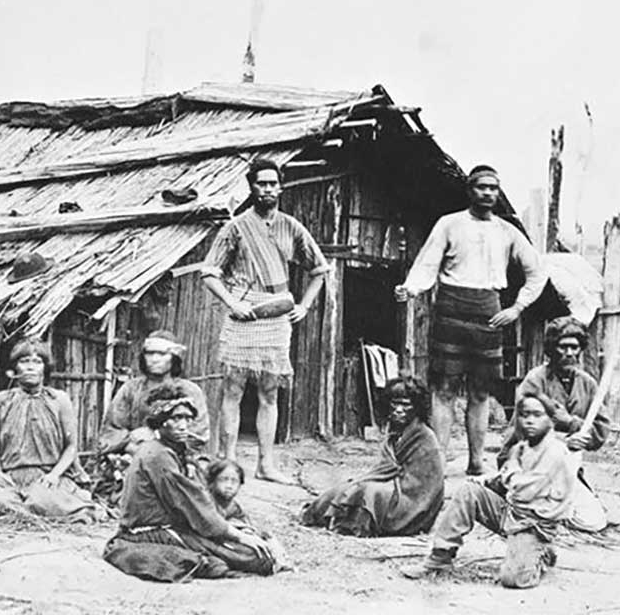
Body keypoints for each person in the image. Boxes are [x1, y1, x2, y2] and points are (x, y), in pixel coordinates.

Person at [394, 165, 545, 476]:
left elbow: (537, 272)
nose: (488, 193)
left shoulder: (507, 231)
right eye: (481, 187)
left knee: (480, 392)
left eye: (493, 188)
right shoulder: (450, 224)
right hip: (450, 308)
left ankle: (476, 461)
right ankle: (436, 462)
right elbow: (427, 264)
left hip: (488, 312)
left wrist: (517, 308)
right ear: (470, 190)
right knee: (444, 389)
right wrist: (410, 288)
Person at [200, 159, 331, 484]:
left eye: (273, 183)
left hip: (276, 316)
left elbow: (319, 269)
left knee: (270, 393)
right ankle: (226, 463)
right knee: (232, 389)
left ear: (281, 187)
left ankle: (266, 464)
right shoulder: (236, 227)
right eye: (262, 183)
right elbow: (209, 273)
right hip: (242, 313)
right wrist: (232, 303)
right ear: (252, 186)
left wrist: (304, 305)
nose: (268, 189)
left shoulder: (291, 226)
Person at [103, 385, 275, 582]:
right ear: (160, 423)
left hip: (172, 527)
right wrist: (238, 536)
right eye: (176, 418)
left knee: (248, 547)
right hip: (150, 533)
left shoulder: (172, 451)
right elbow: (192, 506)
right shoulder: (156, 456)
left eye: (187, 418)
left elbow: (201, 498)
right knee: (254, 557)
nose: (183, 425)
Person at [403, 397, 574, 589]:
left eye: (537, 415)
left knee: (513, 579)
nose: (529, 421)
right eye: (525, 415)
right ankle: (439, 557)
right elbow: (505, 478)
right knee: (469, 491)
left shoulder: (555, 452)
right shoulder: (524, 447)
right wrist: (486, 481)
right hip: (513, 514)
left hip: (535, 526)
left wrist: (511, 469)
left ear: (551, 419)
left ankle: (543, 553)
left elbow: (522, 491)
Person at [0, 340, 100, 521]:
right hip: (11, 478)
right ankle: (36, 510)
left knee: (42, 499)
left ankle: (29, 508)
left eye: (37, 362)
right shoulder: (2, 400)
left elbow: (71, 447)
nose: (30, 367)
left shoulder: (59, 400)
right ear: (14, 368)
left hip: (46, 478)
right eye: (24, 361)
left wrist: (54, 475)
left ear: (45, 368)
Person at [300, 376, 444, 537]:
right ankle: (322, 516)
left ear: (417, 407)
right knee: (352, 486)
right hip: (395, 486)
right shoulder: (396, 433)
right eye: (395, 403)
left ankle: (357, 525)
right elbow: (385, 468)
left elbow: (427, 486)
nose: (398, 409)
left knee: (369, 491)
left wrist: (387, 483)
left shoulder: (425, 437)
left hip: (414, 501)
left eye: (405, 405)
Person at [503, 317, 609, 531]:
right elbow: (521, 434)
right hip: (531, 466)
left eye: (574, 347)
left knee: (593, 522)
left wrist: (572, 423)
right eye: (563, 347)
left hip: (566, 470)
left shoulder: (587, 384)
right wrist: (563, 440)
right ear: (552, 349)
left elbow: (600, 432)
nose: (569, 353)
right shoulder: (535, 381)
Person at [99, 331, 210, 456]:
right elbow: (111, 430)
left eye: (162, 354)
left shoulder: (190, 390)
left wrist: (157, 435)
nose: (155, 359)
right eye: (150, 353)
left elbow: (198, 434)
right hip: (132, 454)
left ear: (174, 357)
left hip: (178, 457)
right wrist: (132, 445)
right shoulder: (131, 388)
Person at [206, 459, 290, 571]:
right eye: (223, 480)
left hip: (231, 540)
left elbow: (246, 525)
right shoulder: (206, 502)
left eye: (234, 481)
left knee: (264, 542)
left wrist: (249, 533)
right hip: (209, 542)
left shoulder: (234, 507)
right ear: (212, 482)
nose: (229, 485)